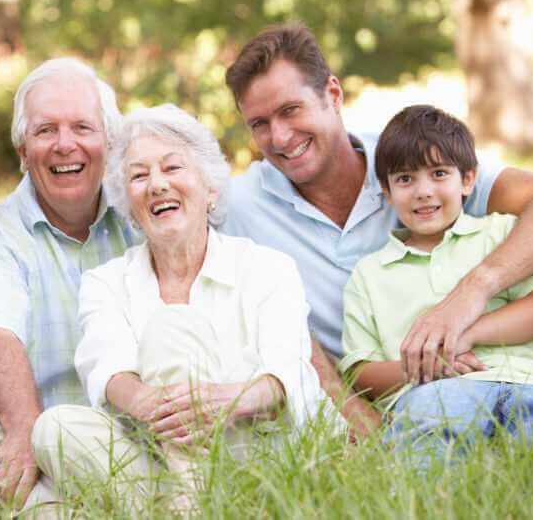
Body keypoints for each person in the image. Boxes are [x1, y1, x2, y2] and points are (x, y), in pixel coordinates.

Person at [221, 23, 533, 432]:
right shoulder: (237, 206)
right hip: (409, 397)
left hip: (521, 364)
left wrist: (469, 295)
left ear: (332, 95)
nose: (279, 136)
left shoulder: (411, 158)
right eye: (259, 123)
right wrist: (355, 416)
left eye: (290, 110)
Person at [31, 104, 335, 512]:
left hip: (258, 453)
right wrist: (156, 406)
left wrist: (223, 401)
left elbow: (286, 375)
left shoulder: (268, 268)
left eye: (172, 168)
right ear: (130, 208)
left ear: (210, 190)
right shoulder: (105, 283)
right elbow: (107, 370)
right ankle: (192, 502)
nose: (156, 185)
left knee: (171, 329)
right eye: (139, 176)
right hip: (158, 456)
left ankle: (187, 504)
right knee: (54, 429)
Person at [339, 105, 533, 468]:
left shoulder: (500, 233)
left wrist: (467, 334)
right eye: (405, 179)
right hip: (431, 392)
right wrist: (430, 364)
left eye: (439, 173)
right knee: (427, 458)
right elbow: (360, 372)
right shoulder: (369, 274)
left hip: (529, 381)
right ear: (385, 190)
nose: (423, 192)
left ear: (468, 180)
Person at [0, 58, 137, 512]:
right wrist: (25, 432)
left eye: (82, 127)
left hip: (124, 431)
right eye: (45, 130)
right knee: (44, 505)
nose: (64, 145)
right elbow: (0, 339)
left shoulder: (141, 216)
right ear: (22, 150)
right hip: (22, 426)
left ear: (109, 142)